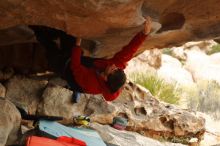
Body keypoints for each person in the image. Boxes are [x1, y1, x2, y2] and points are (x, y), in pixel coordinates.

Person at [66, 17, 152, 102]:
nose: (113, 65)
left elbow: (75, 67)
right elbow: (129, 50)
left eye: (112, 70)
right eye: (116, 68)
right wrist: (144, 34)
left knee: (63, 60)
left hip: (72, 75)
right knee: (74, 50)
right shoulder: (114, 69)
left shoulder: (92, 84)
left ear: (106, 78)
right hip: (91, 69)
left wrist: (77, 45)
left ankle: (73, 86)